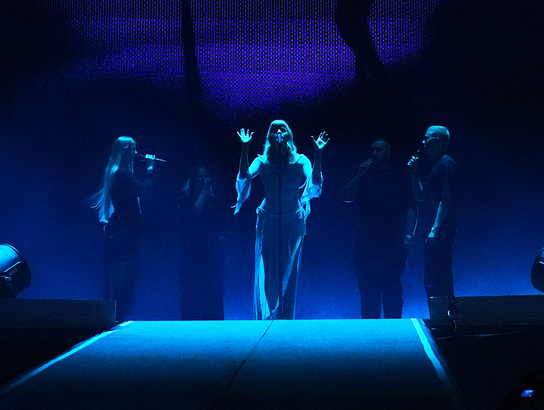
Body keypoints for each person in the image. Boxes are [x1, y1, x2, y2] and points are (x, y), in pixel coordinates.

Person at [235, 120, 329, 319]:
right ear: (270, 135)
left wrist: (318, 154)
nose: (279, 131)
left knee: (289, 267)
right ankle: (266, 316)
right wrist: (244, 148)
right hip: (268, 219)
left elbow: (315, 182)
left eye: (283, 128)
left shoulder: (300, 160)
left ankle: (285, 316)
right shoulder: (262, 161)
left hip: (292, 220)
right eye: (274, 128)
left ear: (289, 134)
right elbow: (244, 177)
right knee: (268, 268)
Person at [342, 138, 417, 318]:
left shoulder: (399, 175)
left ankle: (394, 330)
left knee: (391, 286)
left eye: (379, 150)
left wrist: (408, 234)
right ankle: (370, 333)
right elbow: (346, 196)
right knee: (367, 289)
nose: (375, 154)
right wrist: (359, 174)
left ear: (388, 153)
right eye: (373, 150)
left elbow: (411, 207)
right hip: (365, 242)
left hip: (392, 241)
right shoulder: (365, 175)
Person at [91, 136, 155, 321]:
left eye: (135, 148)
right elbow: (146, 191)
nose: (135, 153)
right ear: (124, 151)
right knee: (124, 275)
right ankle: (116, 315)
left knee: (124, 275)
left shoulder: (119, 172)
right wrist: (150, 168)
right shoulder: (122, 174)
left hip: (124, 231)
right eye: (132, 149)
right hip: (125, 233)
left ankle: (117, 314)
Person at [408, 125, 458, 306]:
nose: (423, 141)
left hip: (440, 232)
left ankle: (446, 319)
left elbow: (446, 199)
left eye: (426, 138)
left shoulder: (446, 164)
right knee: (431, 277)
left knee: (439, 276)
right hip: (431, 230)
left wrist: (435, 230)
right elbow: (420, 196)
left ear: (436, 141)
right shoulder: (435, 165)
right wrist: (414, 172)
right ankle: (440, 317)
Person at [177, 165, 226, 320]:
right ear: (193, 179)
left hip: (211, 251)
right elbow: (194, 214)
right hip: (192, 251)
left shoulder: (215, 201)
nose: (204, 179)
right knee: (192, 288)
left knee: (212, 289)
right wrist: (204, 192)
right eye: (200, 176)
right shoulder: (184, 200)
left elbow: (222, 224)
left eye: (206, 176)